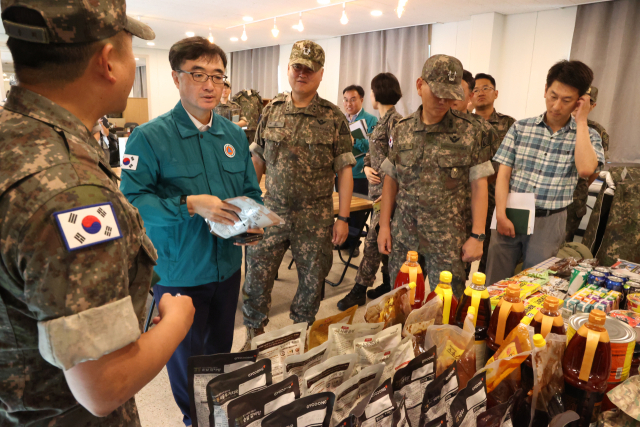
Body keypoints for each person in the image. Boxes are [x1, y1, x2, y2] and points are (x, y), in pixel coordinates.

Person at [0, 2, 196, 426]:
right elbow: (103, 384)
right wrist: (176, 322)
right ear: (108, 61)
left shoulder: (13, 135)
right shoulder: (74, 192)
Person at [120, 36, 263, 426]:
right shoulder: (149, 137)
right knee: (186, 360)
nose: (209, 85)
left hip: (227, 268)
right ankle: (194, 420)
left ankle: (216, 414)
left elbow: (249, 191)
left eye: (217, 76)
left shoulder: (233, 135)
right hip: (180, 273)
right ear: (176, 78)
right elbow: (132, 203)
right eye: (198, 74)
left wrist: (251, 223)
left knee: (219, 353)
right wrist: (188, 204)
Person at [243, 40, 356, 344]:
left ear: (320, 74)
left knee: (311, 283)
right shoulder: (271, 112)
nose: (302, 73)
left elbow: (345, 170)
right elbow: (257, 159)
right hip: (272, 210)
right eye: (297, 67)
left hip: (315, 216)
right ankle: (253, 335)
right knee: (256, 278)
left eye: (310, 69)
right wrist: (251, 206)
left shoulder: (333, 118)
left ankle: (299, 337)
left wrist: (343, 217)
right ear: (288, 69)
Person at [378, 55, 498, 298]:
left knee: (446, 309)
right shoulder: (402, 130)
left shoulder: (472, 131)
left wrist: (477, 236)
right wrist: (383, 226)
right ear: (420, 84)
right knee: (401, 301)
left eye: (451, 93)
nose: (444, 100)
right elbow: (391, 181)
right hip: (404, 235)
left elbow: (479, 187)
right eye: (438, 91)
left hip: (447, 240)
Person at [486, 60, 605, 286]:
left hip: (551, 219)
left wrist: (581, 120)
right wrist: (500, 213)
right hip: (511, 211)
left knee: (534, 284)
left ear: (580, 101)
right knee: (495, 280)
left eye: (567, 100)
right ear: (545, 90)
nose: (557, 106)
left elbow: (587, 169)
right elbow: (503, 175)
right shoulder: (521, 128)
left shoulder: (588, 136)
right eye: (553, 96)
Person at [337, 73, 404, 309]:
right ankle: (387, 283)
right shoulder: (382, 121)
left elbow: (398, 162)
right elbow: (372, 154)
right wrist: (365, 167)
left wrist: (388, 195)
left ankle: (358, 289)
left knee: (373, 243)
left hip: (387, 196)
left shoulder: (396, 122)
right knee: (385, 242)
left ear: (376, 94)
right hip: (376, 191)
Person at [470, 73, 516, 273]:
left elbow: (514, 162)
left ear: (496, 93)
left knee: (490, 250)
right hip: (466, 195)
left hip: (496, 196)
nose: (480, 93)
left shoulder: (510, 125)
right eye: (475, 90)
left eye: (485, 88)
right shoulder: (464, 124)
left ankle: (482, 291)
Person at [565, 86, 610, 242]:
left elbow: (595, 171)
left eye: (586, 102)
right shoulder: (556, 123)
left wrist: (580, 186)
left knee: (559, 248)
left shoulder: (597, 132)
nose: (580, 106)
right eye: (577, 100)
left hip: (573, 200)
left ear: (593, 105)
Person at [340, 84, 378, 257]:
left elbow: (374, 146)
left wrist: (356, 142)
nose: (349, 103)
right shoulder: (340, 119)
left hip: (360, 172)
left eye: (353, 99)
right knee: (343, 208)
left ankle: (354, 243)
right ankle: (342, 239)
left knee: (357, 212)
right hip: (341, 171)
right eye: (346, 100)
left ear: (362, 100)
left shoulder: (370, 120)